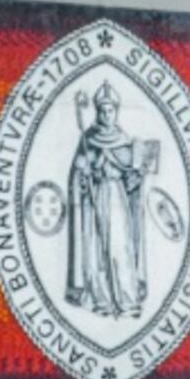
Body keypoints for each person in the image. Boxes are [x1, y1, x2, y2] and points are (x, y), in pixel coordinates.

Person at [67, 80, 149, 318]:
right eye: (102, 110)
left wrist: (136, 175)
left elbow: (132, 176)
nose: (106, 114)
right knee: (95, 249)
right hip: (94, 200)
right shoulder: (88, 139)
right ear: (97, 112)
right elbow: (78, 173)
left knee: (119, 248)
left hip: (117, 200)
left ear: (116, 111)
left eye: (110, 109)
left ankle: (126, 300)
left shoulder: (124, 140)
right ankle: (100, 299)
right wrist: (84, 177)